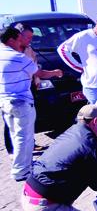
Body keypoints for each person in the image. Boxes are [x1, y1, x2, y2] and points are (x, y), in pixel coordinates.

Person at [0, 27, 60, 181]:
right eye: (19, 38)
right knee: (24, 138)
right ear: (11, 40)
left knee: (15, 135)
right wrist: (55, 72)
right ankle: (21, 172)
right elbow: (39, 73)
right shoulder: (18, 57)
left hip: (5, 103)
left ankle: (20, 164)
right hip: (21, 102)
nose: (22, 41)